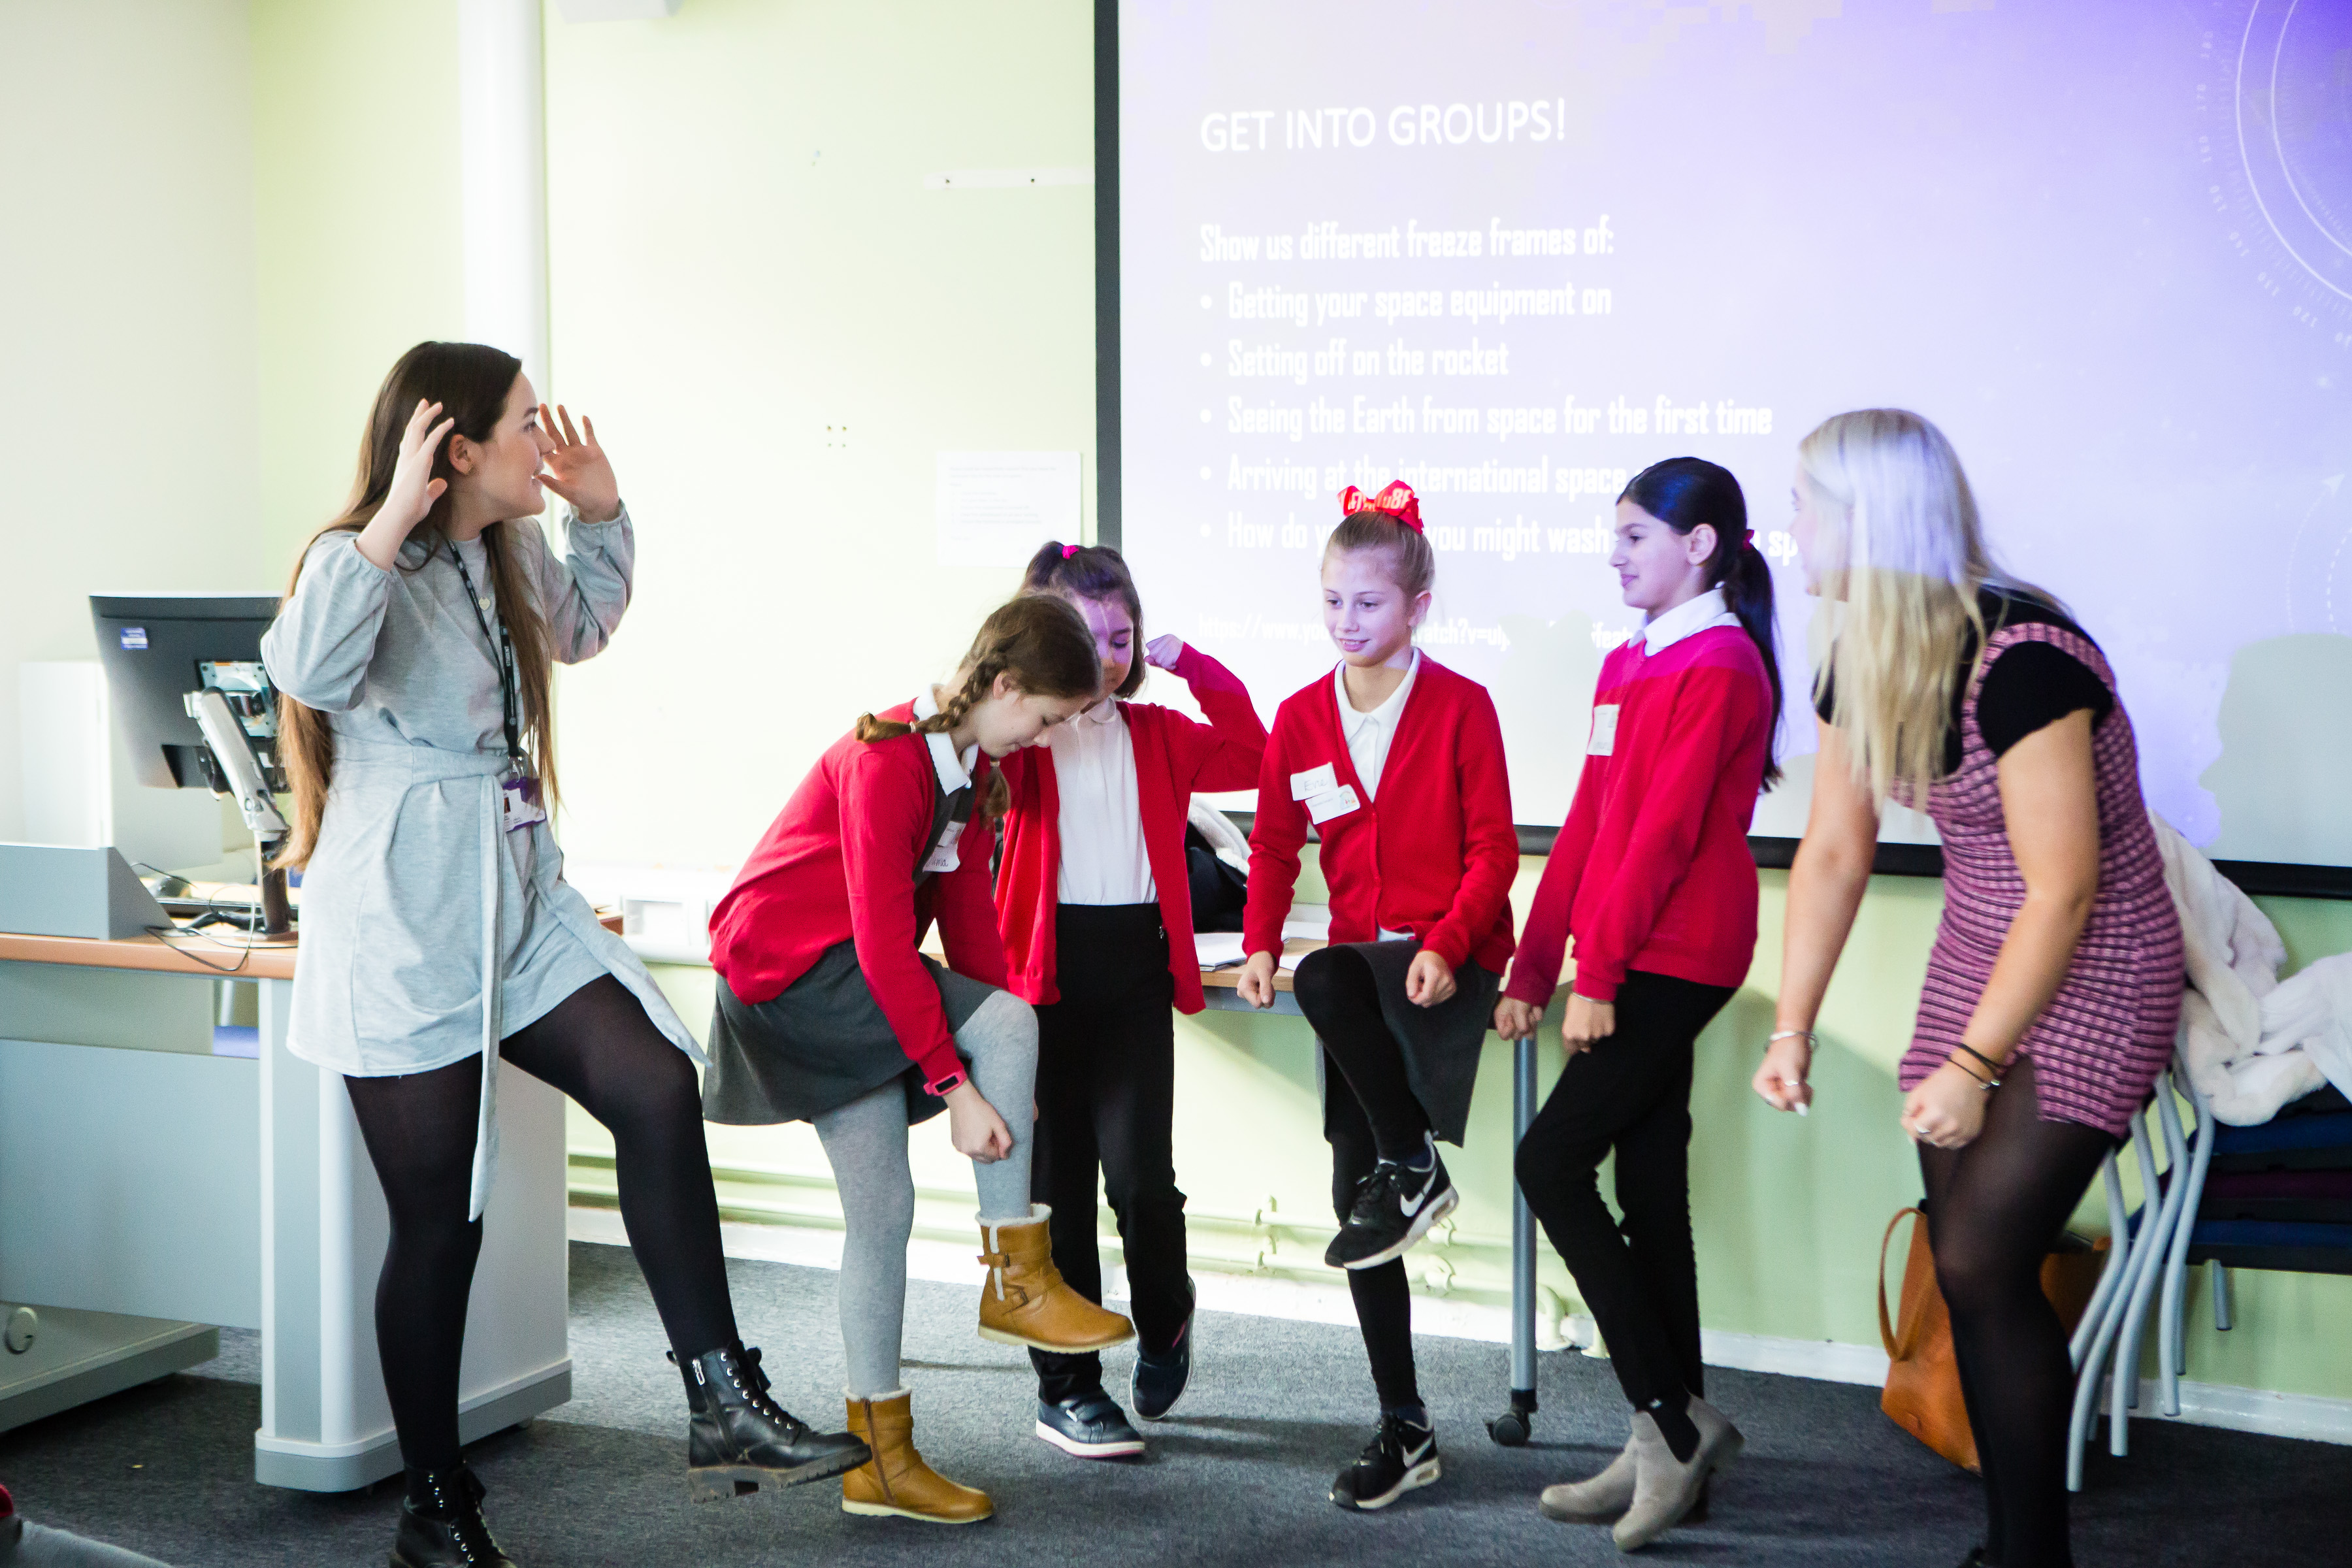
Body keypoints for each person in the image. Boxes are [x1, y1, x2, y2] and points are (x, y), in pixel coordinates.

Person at [263, 342, 866, 1568]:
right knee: (442, 1222)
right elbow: (309, 671)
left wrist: (601, 515)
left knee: (653, 1082)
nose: (549, 439)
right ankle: (437, 1506)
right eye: (529, 426)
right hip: (402, 914)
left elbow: (579, 633)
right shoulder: (354, 559)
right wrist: (391, 517)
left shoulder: (507, 552)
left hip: (515, 889)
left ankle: (719, 1396)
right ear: (458, 449)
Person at [1753, 410, 2182, 1568]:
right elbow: (1836, 855)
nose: (1789, 530)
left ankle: (2033, 1554)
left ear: (1868, 519)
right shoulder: (1865, 655)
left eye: (1804, 507)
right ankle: (2012, 1544)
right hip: (1982, 951)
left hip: (2098, 961)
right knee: (1966, 1263)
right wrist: (1792, 1025)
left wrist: (1975, 1064)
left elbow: (2067, 893)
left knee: (1988, 1257)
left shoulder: (2027, 658)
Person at [701, 595, 1137, 1525]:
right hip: (788, 975)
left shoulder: (970, 769)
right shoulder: (888, 757)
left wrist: (987, 1039)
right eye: (1048, 719)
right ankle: (1016, 1277)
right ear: (1006, 684)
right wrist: (955, 1079)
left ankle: (880, 1464)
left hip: (835, 974)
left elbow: (970, 935)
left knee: (885, 1207)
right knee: (1007, 1031)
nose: (1048, 738)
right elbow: (887, 946)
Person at [1494, 457, 1781, 1550]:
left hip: (1677, 950)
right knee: (1649, 1182)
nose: (1614, 557)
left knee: (1547, 1161)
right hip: (1632, 944)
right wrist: (1533, 965)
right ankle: (1666, 1445)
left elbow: (1662, 837)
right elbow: (1588, 825)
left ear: (1699, 546)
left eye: (1633, 538)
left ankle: (1673, 1418)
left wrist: (1598, 977)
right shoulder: (1629, 663)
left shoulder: (1721, 666)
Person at [1235, 482, 1518, 1512]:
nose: (1347, 623)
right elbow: (1274, 846)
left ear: (1418, 605)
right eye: (1331, 603)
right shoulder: (1302, 715)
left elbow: (1494, 850)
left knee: (1325, 986)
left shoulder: (1463, 707)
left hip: (1449, 961)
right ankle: (1405, 1427)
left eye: (1367, 603)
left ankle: (1413, 1160)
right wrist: (1259, 941)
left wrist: (1447, 943)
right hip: (1364, 981)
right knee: (1360, 1210)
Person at [994, 541, 1267, 1457]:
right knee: (1055, 1196)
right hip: (1043, 979)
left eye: (1124, 637)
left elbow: (1255, 750)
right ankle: (1066, 1388)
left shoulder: (1157, 734)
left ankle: (1166, 1315)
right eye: (1087, 638)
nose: (1108, 658)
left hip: (1134, 977)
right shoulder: (1023, 736)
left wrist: (1191, 664)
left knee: (1144, 1183)